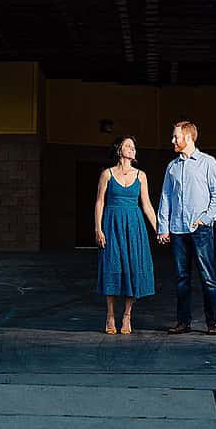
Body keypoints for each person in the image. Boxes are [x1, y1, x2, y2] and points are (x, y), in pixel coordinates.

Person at [156, 118, 216, 335]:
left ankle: (212, 323)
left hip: (201, 230)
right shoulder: (172, 167)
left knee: (207, 278)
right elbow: (165, 197)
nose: (172, 140)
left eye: (175, 136)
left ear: (187, 137)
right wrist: (163, 227)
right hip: (177, 230)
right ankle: (183, 322)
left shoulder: (208, 163)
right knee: (182, 279)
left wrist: (206, 218)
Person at [94, 135, 158, 335]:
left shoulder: (141, 175)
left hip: (134, 225)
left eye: (133, 147)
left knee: (133, 267)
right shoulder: (107, 174)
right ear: (119, 150)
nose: (132, 149)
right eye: (127, 146)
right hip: (112, 223)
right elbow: (100, 202)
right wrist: (98, 228)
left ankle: (127, 316)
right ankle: (110, 315)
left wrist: (159, 228)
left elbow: (146, 205)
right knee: (112, 266)